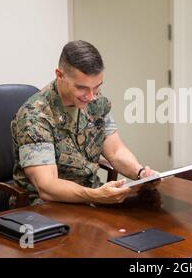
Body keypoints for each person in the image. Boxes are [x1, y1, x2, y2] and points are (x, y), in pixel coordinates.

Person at [11, 40, 158, 206]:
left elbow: (116, 152)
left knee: (152, 211)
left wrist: (140, 173)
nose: (90, 96)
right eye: (82, 88)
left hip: (90, 198)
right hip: (46, 208)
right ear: (59, 75)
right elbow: (47, 186)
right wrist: (94, 195)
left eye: (96, 87)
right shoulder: (36, 116)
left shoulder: (96, 103)